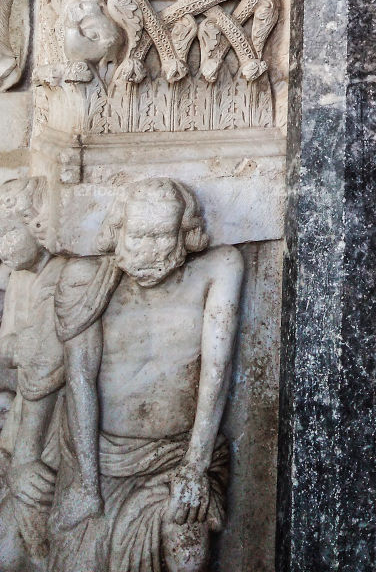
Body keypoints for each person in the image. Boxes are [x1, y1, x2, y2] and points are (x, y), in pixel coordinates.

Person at [47, 178, 244, 572]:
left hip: (179, 453)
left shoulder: (219, 268)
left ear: (184, 233)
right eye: (137, 236)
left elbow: (217, 369)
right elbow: (80, 380)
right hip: (99, 456)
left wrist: (195, 465)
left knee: (188, 550)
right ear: (117, 230)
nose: (149, 251)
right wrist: (87, 484)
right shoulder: (84, 278)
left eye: (162, 236)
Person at [0, 178, 65, 571]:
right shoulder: (20, 278)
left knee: (22, 545)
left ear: (37, 225)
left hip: (49, 425)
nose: (2, 246)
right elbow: (9, 352)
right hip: (22, 417)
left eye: (9, 232)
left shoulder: (60, 276)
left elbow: (42, 363)